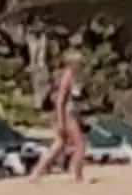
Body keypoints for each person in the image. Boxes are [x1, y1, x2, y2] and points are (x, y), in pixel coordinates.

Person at [28, 48, 91, 183]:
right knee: (80, 145)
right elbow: (61, 99)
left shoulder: (73, 76)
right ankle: (78, 176)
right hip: (67, 115)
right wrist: (61, 121)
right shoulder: (67, 76)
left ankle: (36, 173)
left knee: (58, 144)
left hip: (69, 114)